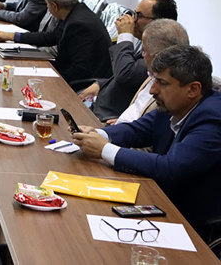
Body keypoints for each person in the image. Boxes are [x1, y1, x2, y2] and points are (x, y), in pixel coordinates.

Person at [73, 45, 221, 237]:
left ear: (193, 89)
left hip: (189, 223)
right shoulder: (175, 104)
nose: (152, 90)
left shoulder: (213, 119)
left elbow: (171, 168)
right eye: (153, 80)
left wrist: (104, 149)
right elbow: (138, 129)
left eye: (162, 83)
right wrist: (98, 134)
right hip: (158, 199)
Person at [0, 0, 112, 87]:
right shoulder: (74, 12)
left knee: (24, 82)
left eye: (47, 4)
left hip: (86, 83)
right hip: (73, 73)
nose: (47, 8)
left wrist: (46, 79)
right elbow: (50, 37)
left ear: (54, 6)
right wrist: (12, 36)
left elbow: (79, 70)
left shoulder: (79, 25)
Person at [79, 0, 178, 113]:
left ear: (157, 23)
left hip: (108, 116)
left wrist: (125, 35)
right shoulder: (142, 43)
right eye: (134, 13)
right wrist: (100, 84)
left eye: (139, 15)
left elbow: (125, 73)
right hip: (98, 103)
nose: (133, 20)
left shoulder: (161, 54)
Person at [107, 19, 189, 125]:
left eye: (144, 51)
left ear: (158, 56)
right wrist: (121, 121)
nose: (142, 55)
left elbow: (147, 129)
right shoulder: (151, 74)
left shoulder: (173, 94)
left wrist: (122, 127)